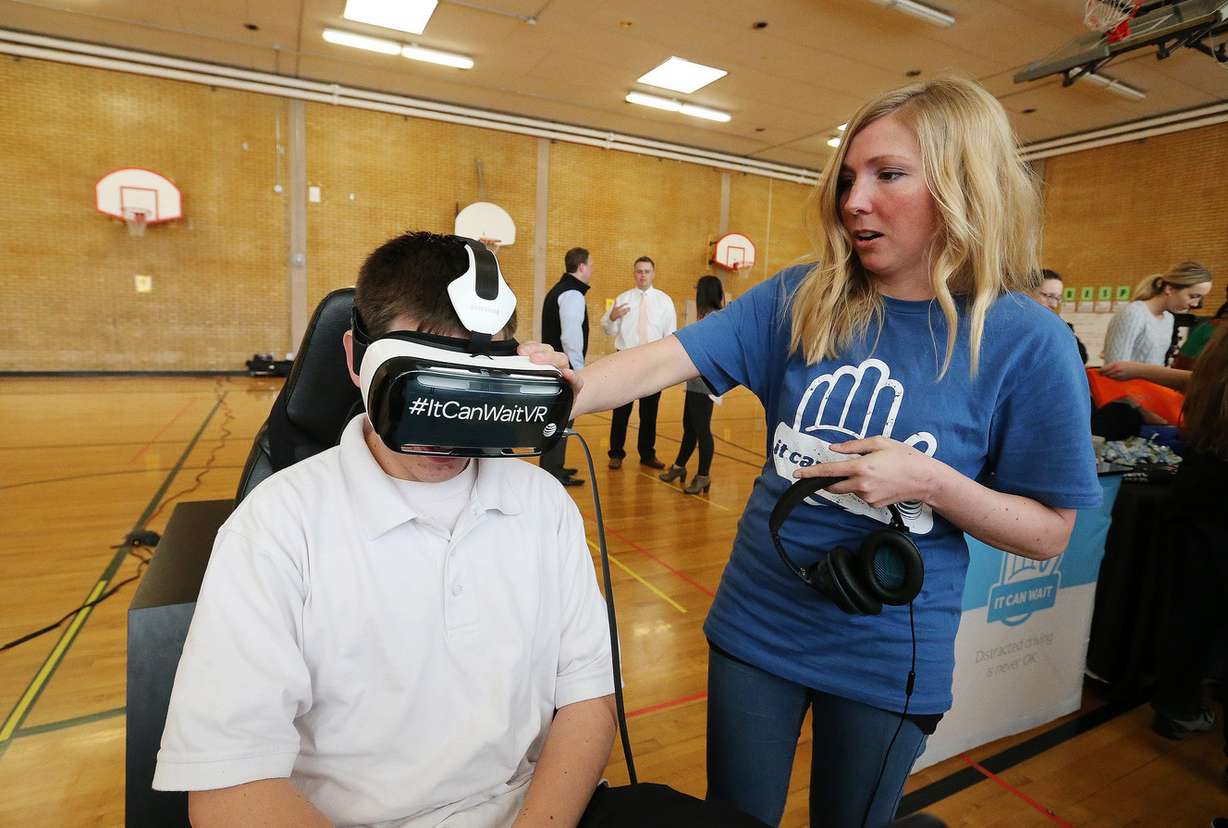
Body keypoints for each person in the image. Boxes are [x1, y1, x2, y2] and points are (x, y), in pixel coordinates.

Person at [525, 76, 1100, 827]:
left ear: (964, 187)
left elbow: (1050, 530)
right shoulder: (803, 296)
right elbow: (661, 361)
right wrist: (556, 389)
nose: (854, 199)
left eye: (888, 175)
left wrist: (930, 481)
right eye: (848, 178)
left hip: (888, 649)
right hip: (758, 622)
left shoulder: (1028, 342)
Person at [153, 232, 619, 827]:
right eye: (425, 382)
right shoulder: (275, 527)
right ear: (356, 358)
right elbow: (227, 789)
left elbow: (588, 695)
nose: (451, 421)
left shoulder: (545, 506)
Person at [1149, 324, 1228, 789]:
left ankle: (1175, 706)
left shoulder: (1213, 369)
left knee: (1190, 613)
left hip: (1196, 498)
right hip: (1212, 506)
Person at [599, 256, 677, 470]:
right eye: (639, 271)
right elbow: (608, 329)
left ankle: (647, 454)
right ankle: (616, 453)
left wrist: (666, 365)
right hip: (625, 360)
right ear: (634, 274)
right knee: (621, 410)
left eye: (646, 271)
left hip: (653, 362)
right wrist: (612, 317)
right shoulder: (623, 298)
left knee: (649, 413)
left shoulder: (664, 301)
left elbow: (670, 335)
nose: (642, 274)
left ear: (653, 273)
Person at [660, 275, 725, 495]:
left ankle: (704, 476)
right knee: (689, 427)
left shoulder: (715, 318)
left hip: (705, 384)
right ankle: (679, 467)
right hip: (694, 382)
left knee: (702, 430)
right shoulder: (705, 316)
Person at [539, 246, 593, 487]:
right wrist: (578, 369)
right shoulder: (572, 294)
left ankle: (556, 466)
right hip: (566, 368)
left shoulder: (562, 289)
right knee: (560, 421)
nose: (592, 269)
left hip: (559, 367)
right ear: (581, 267)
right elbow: (571, 337)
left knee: (562, 420)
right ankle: (552, 470)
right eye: (590, 265)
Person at [1101, 262, 1213, 364]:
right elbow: (1114, 365)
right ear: (1169, 289)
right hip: (1126, 386)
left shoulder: (1168, 318)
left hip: (1150, 385)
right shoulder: (1134, 313)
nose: (1195, 304)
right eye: (1193, 296)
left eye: (1200, 298)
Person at [1030, 268, 1087, 363]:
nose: (1054, 305)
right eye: (1048, 296)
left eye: (1058, 298)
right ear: (1028, 294)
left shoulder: (1059, 327)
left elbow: (1081, 358)